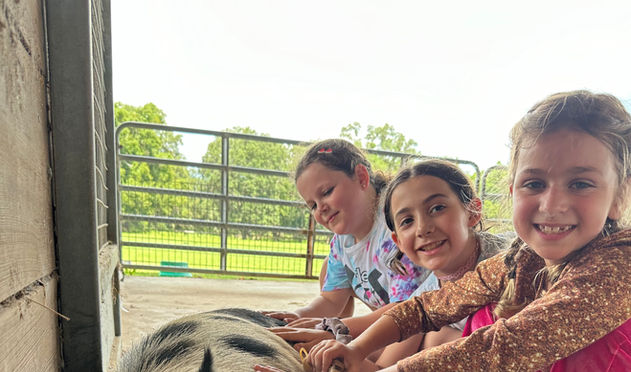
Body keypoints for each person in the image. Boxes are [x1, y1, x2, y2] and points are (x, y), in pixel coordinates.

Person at [303, 90, 631, 372]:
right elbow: (431, 305)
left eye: (581, 183)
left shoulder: (618, 268)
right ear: (514, 192)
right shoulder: (521, 258)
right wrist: (356, 349)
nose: (552, 203)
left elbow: (506, 348)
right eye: (534, 183)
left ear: (618, 198)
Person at [256, 159, 513, 370]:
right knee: (416, 332)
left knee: (436, 337)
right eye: (407, 221)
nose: (423, 228)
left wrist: (340, 335)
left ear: (473, 211)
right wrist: (338, 336)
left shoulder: (511, 264)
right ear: (398, 241)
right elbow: (408, 313)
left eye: (437, 208)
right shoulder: (433, 288)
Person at [264, 139, 426, 323]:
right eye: (313, 205)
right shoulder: (342, 242)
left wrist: (343, 329)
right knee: (329, 267)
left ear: (361, 177)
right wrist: (298, 315)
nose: (321, 208)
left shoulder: (397, 227)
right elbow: (331, 300)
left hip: (418, 322)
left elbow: (405, 310)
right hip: (392, 319)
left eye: (327, 192)